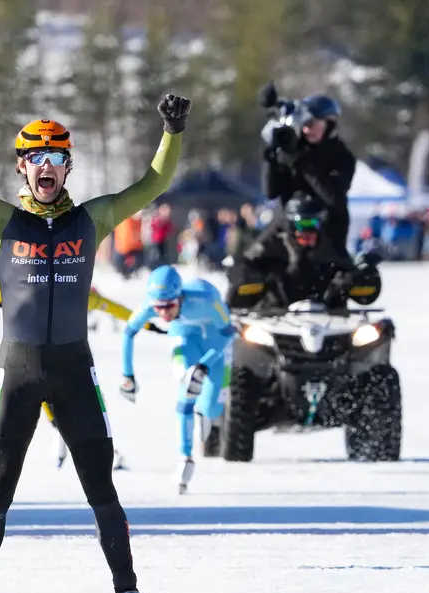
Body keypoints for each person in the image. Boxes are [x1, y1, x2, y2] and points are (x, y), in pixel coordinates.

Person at [0, 91, 191, 593]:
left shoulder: (93, 219)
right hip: (16, 370)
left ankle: (128, 590)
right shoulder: (1, 221)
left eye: (57, 158)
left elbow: (151, 185)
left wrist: (172, 132)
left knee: (101, 487)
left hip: (73, 371)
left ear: (69, 167)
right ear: (22, 166)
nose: (47, 167)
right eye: (37, 158)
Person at [0, 281, 165, 468]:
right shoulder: (77, 295)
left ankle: (69, 437)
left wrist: (148, 325)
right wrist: (148, 326)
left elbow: (115, 309)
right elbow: (115, 309)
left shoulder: (74, 295)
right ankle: (71, 438)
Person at [119, 265, 235, 494]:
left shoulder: (207, 299)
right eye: (158, 308)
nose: (163, 314)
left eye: (169, 306)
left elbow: (228, 334)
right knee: (186, 383)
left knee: (213, 408)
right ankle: (185, 456)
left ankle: (204, 410)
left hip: (215, 340)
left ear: (180, 297)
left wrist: (205, 364)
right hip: (184, 336)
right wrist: (127, 374)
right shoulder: (150, 305)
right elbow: (129, 332)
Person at [255, 85, 357, 262]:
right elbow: (271, 192)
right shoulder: (292, 151)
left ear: (329, 122)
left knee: (337, 273)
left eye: (312, 124)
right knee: (251, 261)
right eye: (304, 124)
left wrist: (301, 163)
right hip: (287, 225)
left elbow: (333, 197)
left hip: (328, 230)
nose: (307, 130)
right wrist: (271, 158)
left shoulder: (343, 157)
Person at [227, 195, 380, 311]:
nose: (307, 232)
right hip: (277, 326)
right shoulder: (269, 257)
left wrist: (358, 278)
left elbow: (366, 293)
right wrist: (249, 277)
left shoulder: (332, 258)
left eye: (313, 224)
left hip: (329, 329)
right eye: (301, 225)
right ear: (291, 227)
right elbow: (238, 296)